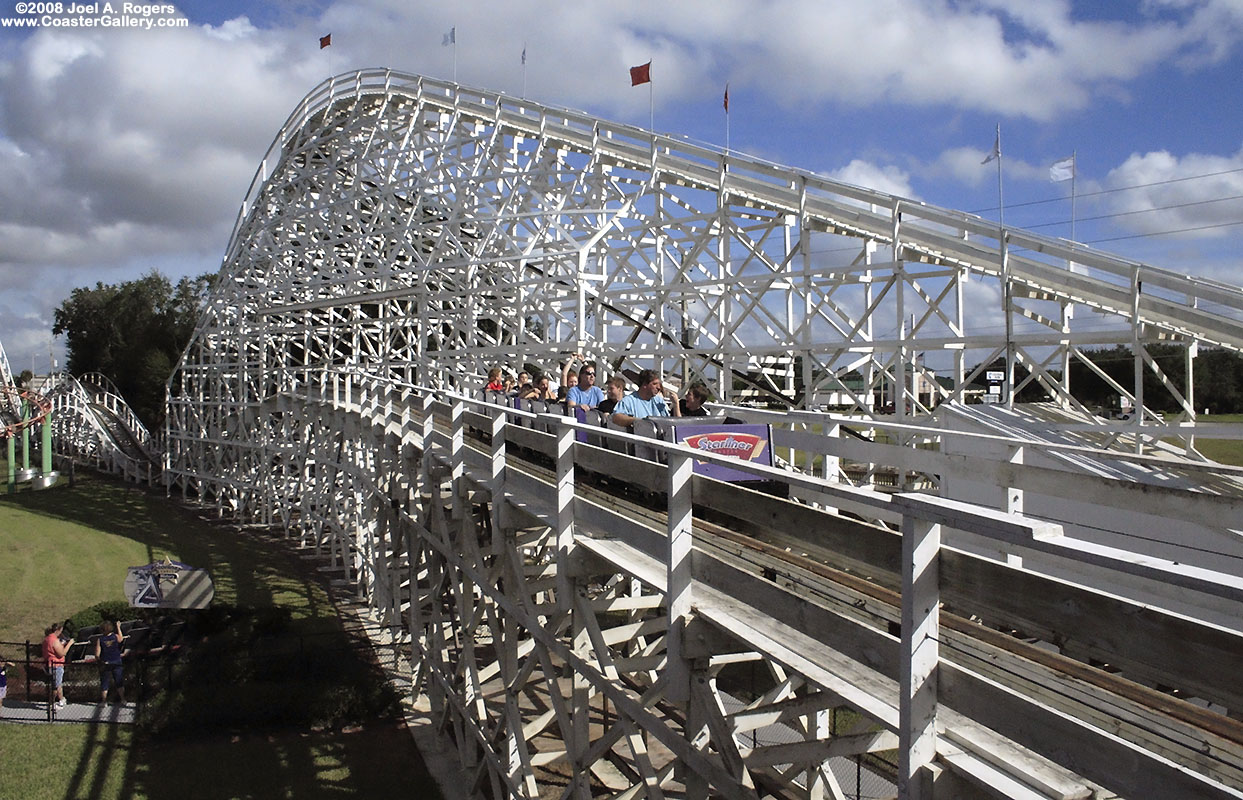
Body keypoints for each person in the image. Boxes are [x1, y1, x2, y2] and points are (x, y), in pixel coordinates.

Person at [611, 369, 680, 427]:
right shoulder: (629, 401)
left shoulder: (659, 401)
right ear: (644, 385)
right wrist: (638, 421)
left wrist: (676, 404)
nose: (659, 388)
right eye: (654, 384)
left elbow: (674, 423)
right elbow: (616, 417)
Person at [43, 622, 74, 708]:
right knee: (57, 685)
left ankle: (61, 699)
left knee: (57, 684)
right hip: (56, 665)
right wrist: (69, 644)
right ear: (58, 630)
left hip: (49, 664)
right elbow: (62, 653)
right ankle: (53, 702)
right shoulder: (54, 640)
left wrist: (62, 644)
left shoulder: (47, 639)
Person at [95, 619, 125, 705]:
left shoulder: (100, 639)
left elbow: (97, 654)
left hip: (106, 662)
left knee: (105, 683)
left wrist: (100, 661)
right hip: (116, 660)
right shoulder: (115, 636)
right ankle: (123, 699)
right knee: (119, 681)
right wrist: (118, 627)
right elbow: (121, 639)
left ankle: (104, 701)